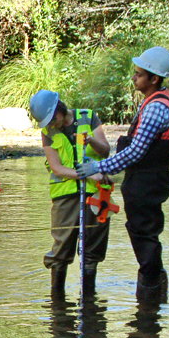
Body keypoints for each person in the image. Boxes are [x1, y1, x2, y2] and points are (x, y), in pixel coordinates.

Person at [76, 46, 169, 302]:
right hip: (145, 181)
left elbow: (135, 152)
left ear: (154, 79)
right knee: (143, 232)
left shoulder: (157, 108)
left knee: (144, 233)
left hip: (147, 183)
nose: (133, 78)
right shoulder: (153, 102)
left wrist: (98, 168)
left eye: (138, 74)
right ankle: (152, 301)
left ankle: (149, 301)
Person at [29, 90, 111, 297]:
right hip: (65, 195)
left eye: (52, 118)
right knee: (61, 247)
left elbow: (105, 152)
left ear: (60, 109)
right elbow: (57, 168)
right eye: (47, 122)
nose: (52, 124)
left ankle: (90, 302)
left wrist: (91, 141)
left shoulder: (89, 117)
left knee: (93, 248)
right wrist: (86, 175)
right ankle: (57, 303)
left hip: (96, 195)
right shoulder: (48, 132)